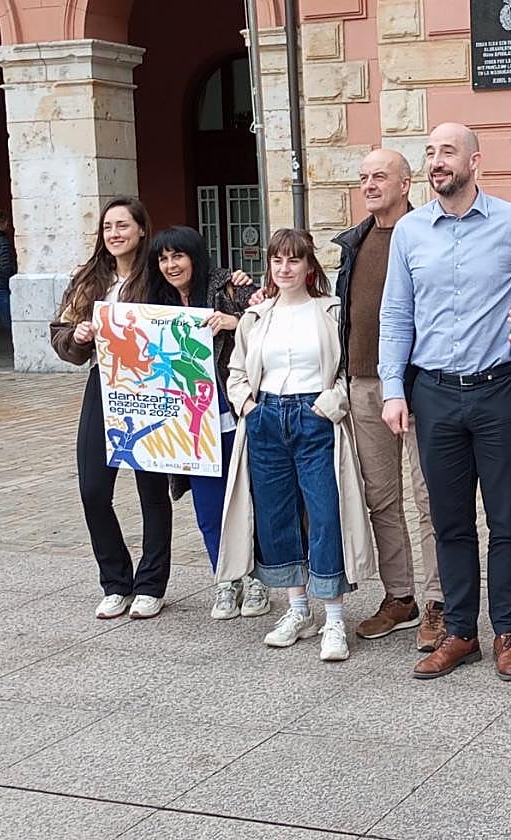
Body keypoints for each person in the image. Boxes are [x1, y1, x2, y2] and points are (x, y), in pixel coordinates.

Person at [380, 122, 511, 681]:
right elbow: (396, 315)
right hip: (433, 395)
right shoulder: (409, 232)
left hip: (499, 390)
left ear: (475, 161)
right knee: (448, 520)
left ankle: (507, 632)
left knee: (507, 521)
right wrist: (392, 389)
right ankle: (460, 632)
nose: (436, 162)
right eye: (429, 153)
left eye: (447, 152)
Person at [217, 229, 375, 662]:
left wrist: (331, 405)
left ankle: (335, 618)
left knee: (325, 513)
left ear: (309, 267)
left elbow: (348, 367)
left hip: (315, 417)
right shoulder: (256, 317)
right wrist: (247, 404)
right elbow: (236, 370)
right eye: (277, 261)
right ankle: (297, 608)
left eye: (294, 260)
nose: (284, 268)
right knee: (276, 515)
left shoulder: (329, 312)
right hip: (266, 419)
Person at [332, 149, 444, 651]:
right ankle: (400, 597)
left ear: (406, 183)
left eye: (380, 176)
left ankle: (440, 601)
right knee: (381, 498)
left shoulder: (429, 231)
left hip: (420, 383)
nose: (370, 184)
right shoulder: (355, 242)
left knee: (431, 498)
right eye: (363, 178)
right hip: (362, 382)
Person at [49, 197, 173, 620]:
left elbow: (192, 299)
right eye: (108, 227)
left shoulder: (158, 276)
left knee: (152, 492)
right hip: (103, 386)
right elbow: (60, 333)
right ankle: (115, 581)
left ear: (141, 229)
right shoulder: (90, 280)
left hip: (151, 390)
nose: (115, 234)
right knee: (93, 490)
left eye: (123, 225)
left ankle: (151, 585)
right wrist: (78, 336)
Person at [148, 225, 268, 621]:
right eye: (164, 259)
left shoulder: (228, 288)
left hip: (232, 414)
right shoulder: (157, 302)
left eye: (177, 256)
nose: (170, 265)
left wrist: (237, 322)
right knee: (208, 507)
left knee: (248, 499)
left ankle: (257, 580)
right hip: (188, 427)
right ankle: (225, 579)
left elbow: (269, 313)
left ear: (195, 257)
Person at [0, 209, 17, 328]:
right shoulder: (2, 242)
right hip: (0, 288)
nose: (8, 225)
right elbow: (5, 267)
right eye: (6, 223)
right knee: (13, 322)